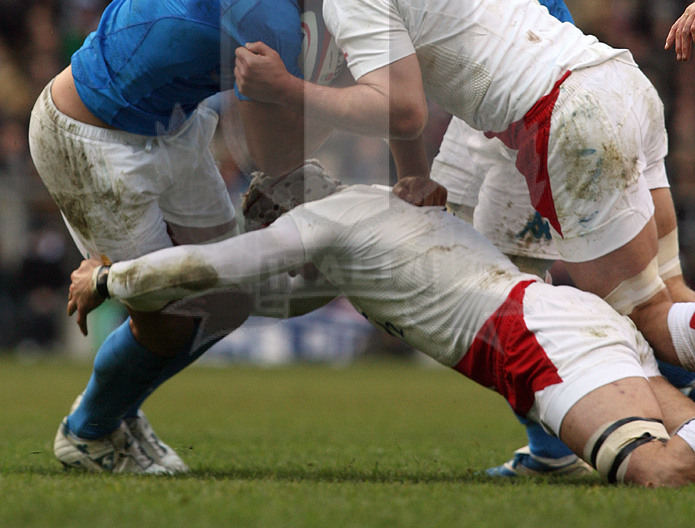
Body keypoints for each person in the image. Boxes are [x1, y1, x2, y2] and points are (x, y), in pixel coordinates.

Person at [233, 0, 695, 394]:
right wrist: (413, 174)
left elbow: (401, 109)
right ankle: (565, 447)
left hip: (565, 118)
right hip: (616, 78)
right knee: (659, 291)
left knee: (641, 316)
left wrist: (283, 87)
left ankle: (661, 437)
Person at [65, 160, 695, 488]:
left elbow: (213, 267)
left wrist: (110, 277)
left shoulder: (322, 222)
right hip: (565, 317)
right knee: (682, 431)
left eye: (264, 211)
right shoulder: (371, 209)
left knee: (657, 472)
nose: (260, 221)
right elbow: (275, 297)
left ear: (287, 204)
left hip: (531, 341)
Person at [29, 0, 353, 474]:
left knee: (226, 303)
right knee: (172, 323)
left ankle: (117, 409)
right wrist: (305, 198)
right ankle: (90, 431)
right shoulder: (267, 3)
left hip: (169, 125)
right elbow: (271, 156)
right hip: (93, 139)